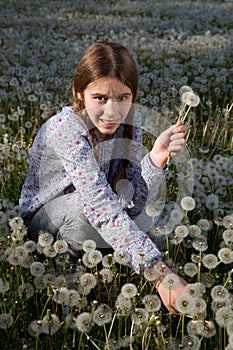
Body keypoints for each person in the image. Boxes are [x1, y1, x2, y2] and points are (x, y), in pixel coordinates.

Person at [19, 41, 187, 313]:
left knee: (154, 223)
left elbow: (132, 199)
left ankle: (106, 259)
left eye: (122, 98)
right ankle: (68, 284)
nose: (112, 111)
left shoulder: (130, 122)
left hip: (100, 212)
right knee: (84, 211)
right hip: (46, 224)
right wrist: (158, 272)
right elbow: (98, 204)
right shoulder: (66, 129)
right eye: (100, 98)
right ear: (79, 94)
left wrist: (156, 159)